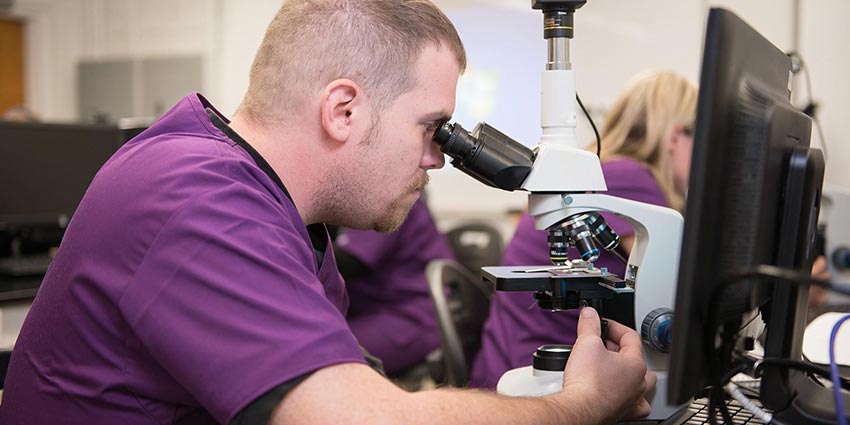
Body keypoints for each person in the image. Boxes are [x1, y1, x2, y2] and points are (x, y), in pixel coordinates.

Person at [0, 1, 654, 424]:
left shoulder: (277, 212)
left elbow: (362, 397)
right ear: (344, 110)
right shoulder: (195, 198)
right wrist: (580, 404)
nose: (437, 158)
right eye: (432, 128)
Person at [471, 71, 698, 389]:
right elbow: (679, 286)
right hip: (535, 368)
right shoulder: (629, 177)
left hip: (508, 358)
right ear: (675, 137)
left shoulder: (603, 169)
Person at [334, 197, 454, 376]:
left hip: (410, 316)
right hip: (369, 310)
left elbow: (349, 261)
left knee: (326, 355)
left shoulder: (389, 200)